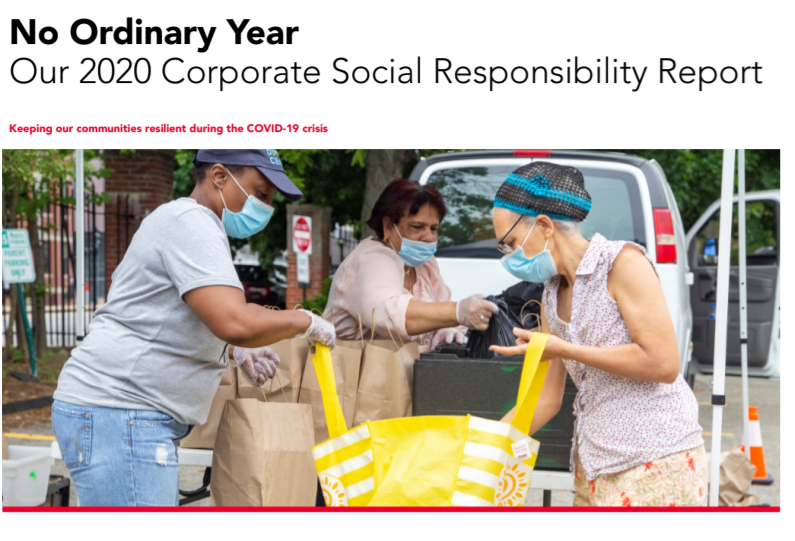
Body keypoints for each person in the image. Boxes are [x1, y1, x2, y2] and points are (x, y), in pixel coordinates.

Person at [52, 149, 336, 507]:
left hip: (124, 412)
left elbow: (172, 313)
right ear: (219, 176)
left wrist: (235, 350)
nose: (266, 206)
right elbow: (234, 320)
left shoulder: (192, 223)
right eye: (261, 193)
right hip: (121, 410)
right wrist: (305, 321)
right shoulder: (192, 223)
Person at [491, 162, 706, 507]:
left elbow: (663, 363)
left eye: (510, 243)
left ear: (544, 226)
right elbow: (546, 400)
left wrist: (567, 349)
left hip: (655, 459)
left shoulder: (621, 263)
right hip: (594, 465)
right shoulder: (550, 294)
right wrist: (481, 448)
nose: (509, 257)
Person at [326, 179, 498, 348]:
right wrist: (457, 311)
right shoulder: (372, 259)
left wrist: (447, 329)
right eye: (417, 227)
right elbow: (388, 316)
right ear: (388, 226)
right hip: (352, 373)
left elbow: (442, 313)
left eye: (433, 229)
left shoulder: (425, 265)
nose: (428, 237)